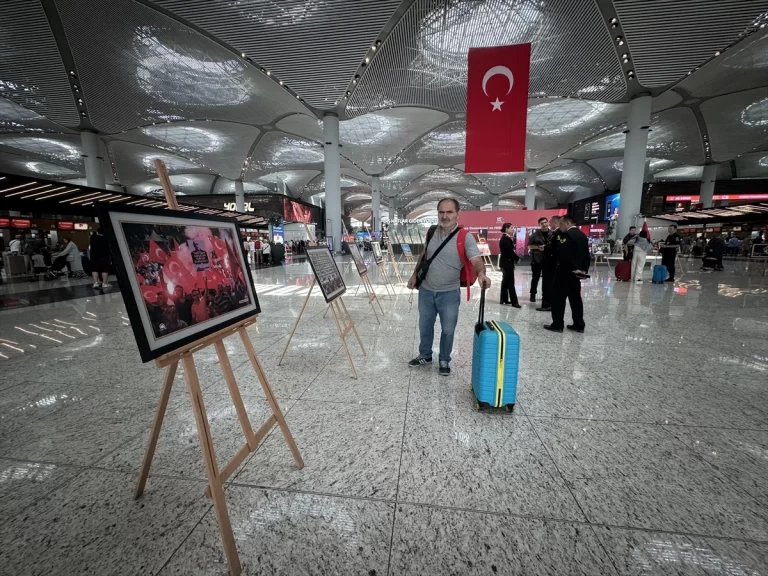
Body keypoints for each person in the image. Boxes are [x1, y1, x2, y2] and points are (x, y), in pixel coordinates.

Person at [406, 198, 491, 376]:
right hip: (426, 291)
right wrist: (415, 275)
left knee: (448, 329)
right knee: (425, 325)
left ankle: (444, 359)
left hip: (449, 293)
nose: (445, 216)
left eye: (449, 212)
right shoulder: (431, 231)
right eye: (441, 212)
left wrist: (481, 274)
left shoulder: (465, 237)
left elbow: (476, 259)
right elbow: (425, 255)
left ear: (458, 213)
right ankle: (425, 355)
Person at [545, 215, 590, 333]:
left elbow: (565, 255)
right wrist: (583, 270)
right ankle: (579, 324)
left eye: (561, 224)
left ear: (568, 223)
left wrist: (574, 268)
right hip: (577, 274)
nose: (560, 227)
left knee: (558, 298)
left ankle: (557, 324)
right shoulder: (582, 235)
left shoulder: (566, 235)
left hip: (565, 272)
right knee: (575, 299)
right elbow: (586, 255)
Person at [537, 215, 561, 312]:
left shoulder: (558, 233)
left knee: (548, 285)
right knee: (548, 285)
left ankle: (547, 305)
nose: (548, 224)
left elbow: (556, 248)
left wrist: (545, 248)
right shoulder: (554, 233)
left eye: (549, 222)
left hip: (551, 263)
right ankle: (547, 303)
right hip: (548, 262)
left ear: (555, 222)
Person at [527, 217, 550, 304]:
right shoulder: (535, 234)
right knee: (535, 278)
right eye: (542, 223)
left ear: (547, 223)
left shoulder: (552, 234)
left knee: (546, 279)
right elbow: (529, 246)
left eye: (545, 222)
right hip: (536, 259)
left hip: (548, 260)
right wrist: (538, 247)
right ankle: (532, 294)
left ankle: (545, 295)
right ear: (539, 225)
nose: (544, 224)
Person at [498, 223, 521, 307]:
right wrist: (517, 258)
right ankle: (514, 302)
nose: (513, 229)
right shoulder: (505, 239)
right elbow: (509, 252)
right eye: (511, 228)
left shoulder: (506, 238)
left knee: (505, 281)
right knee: (510, 282)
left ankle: (503, 299)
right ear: (506, 229)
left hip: (505, 263)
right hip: (506, 263)